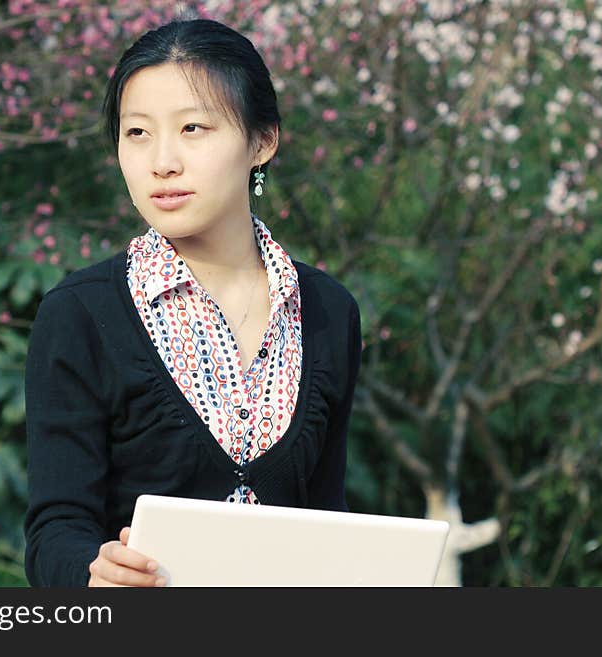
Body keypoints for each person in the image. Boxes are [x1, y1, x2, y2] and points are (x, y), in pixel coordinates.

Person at [23, 16, 362, 587]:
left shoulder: (329, 312)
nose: (162, 162)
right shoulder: (79, 315)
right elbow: (56, 527)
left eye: (193, 129)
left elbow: (326, 517)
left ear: (262, 141)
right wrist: (93, 573)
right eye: (137, 133)